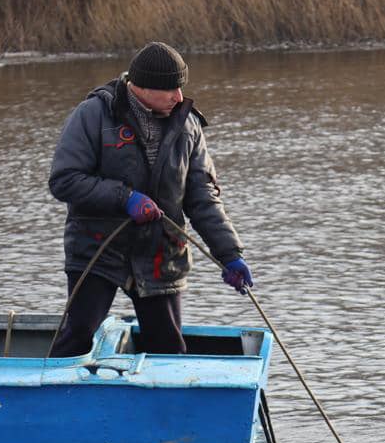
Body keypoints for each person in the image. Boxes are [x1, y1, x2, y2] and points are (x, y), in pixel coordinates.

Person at [48, 41, 253, 356]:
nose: (179, 97)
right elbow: (64, 180)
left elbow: (202, 198)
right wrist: (125, 198)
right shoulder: (93, 115)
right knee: (77, 337)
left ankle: (166, 404)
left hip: (161, 253)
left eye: (180, 88)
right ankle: (52, 396)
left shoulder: (189, 125)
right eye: (170, 90)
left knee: (169, 347)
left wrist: (230, 254)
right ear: (141, 87)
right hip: (97, 249)